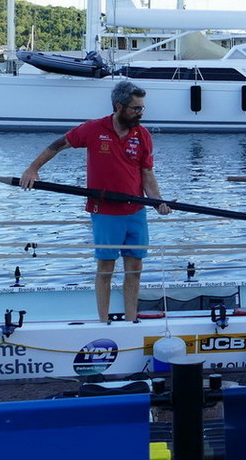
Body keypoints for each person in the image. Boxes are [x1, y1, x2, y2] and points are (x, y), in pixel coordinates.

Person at [20, 80, 170, 322]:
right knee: (106, 269)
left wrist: (158, 201)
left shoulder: (142, 135)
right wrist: (32, 169)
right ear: (119, 106)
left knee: (134, 270)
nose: (140, 113)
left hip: (135, 212)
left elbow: (147, 174)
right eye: (135, 108)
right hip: (105, 213)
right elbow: (57, 145)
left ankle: (132, 321)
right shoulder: (93, 129)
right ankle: (104, 322)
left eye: (142, 108)